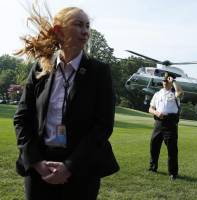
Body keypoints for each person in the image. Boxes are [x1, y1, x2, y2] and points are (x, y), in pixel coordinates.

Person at [13, 5, 119, 200]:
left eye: (87, 26)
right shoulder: (40, 67)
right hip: (40, 168)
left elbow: (103, 126)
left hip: (81, 169)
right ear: (58, 31)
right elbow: (22, 118)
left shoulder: (99, 72)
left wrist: (69, 167)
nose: (86, 31)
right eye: (78, 25)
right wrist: (36, 162)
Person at [148, 73, 183, 180]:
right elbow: (150, 108)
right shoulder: (157, 94)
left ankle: (173, 173)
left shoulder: (174, 93)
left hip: (170, 124)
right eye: (164, 80)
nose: (164, 82)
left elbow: (180, 92)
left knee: (172, 149)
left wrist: (173, 81)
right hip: (158, 123)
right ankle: (153, 167)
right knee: (154, 146)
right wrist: (156, 112)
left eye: (167, 80)